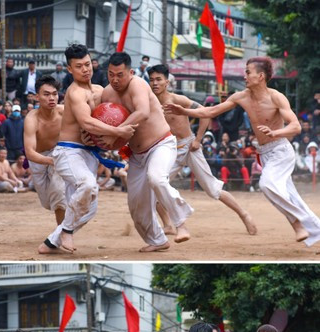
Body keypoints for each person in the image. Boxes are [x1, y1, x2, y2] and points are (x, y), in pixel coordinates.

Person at [165, 57, 320, 246]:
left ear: (260, 76)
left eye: (248, 72)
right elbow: (210, 112)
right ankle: (315, 232)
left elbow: (295, 127)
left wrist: (275, 132)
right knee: (287, 194)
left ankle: (297, 223)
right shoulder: (241, 96)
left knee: (267, 185)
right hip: (264, 153)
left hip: (281, 150)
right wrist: (184, 111)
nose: (244, 75)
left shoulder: (276, 97)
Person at [38, 45, 135, 255]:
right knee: (88, 185)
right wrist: (118, 131)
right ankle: (66, 230)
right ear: (70, 69)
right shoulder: (75, 93)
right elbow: (88, 123)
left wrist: (121, 137)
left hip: (90, 154)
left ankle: (49, 244)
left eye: (88, 64)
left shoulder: (101, 90)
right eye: (79, 66)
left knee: (90, 208)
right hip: (68, 152)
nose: (85, 69)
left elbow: (119, 112)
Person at [148, 64, 257, 236]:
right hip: (169, 150)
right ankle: (168, 224)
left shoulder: (178, 99)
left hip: (190, 146)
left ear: (166, 82)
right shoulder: (150, 104)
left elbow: (204, 113)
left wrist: (198, 139)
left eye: (158, 79)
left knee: (213, 189)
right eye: (152, 80)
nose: (155, 83)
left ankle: (244, 215)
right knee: (156, 186)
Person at [101, 52, 193, 252]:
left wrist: (115, 132)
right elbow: (108, 123)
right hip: (135, 154)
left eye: (120, 74)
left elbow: (142, 112)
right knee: (136, 205)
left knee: (157, 178)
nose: (115, 79)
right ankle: (157, 240)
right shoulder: (107, 94)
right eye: (111, 74)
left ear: (131, 72)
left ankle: (181, 224)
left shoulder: (138, 85)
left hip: (161, 144)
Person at [24, 75, 66, 226]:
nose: (52, 98)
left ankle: (63, 233)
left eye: (54, 94)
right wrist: (51, 161)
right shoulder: (31, 119)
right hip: (38, 159)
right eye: (46, 94)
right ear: (37, 96)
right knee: (48, 202)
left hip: (59, 152)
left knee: (59, 193)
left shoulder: (64, 111)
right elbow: (30, 152)